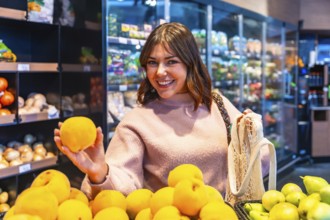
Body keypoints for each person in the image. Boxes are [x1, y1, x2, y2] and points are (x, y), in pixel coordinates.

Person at [54, 22, 270, 200]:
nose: (160, 72)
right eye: (152, 63)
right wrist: (99, 172)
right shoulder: (136, 122)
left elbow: (257, 166)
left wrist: (252, 137)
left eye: (171, 62)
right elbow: (126, 189)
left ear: (189, 64)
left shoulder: (217, 104)